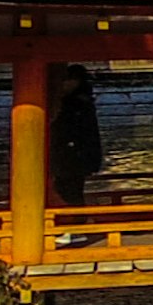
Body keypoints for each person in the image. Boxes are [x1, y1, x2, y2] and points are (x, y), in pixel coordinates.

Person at [46, 63, 104, 205]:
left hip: (72, 155)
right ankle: (75, 217)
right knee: (70, 189)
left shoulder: (75, 103)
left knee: (70, 190)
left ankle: (75, 219)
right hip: (73, 155)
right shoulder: (81, 101)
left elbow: (72, 130)